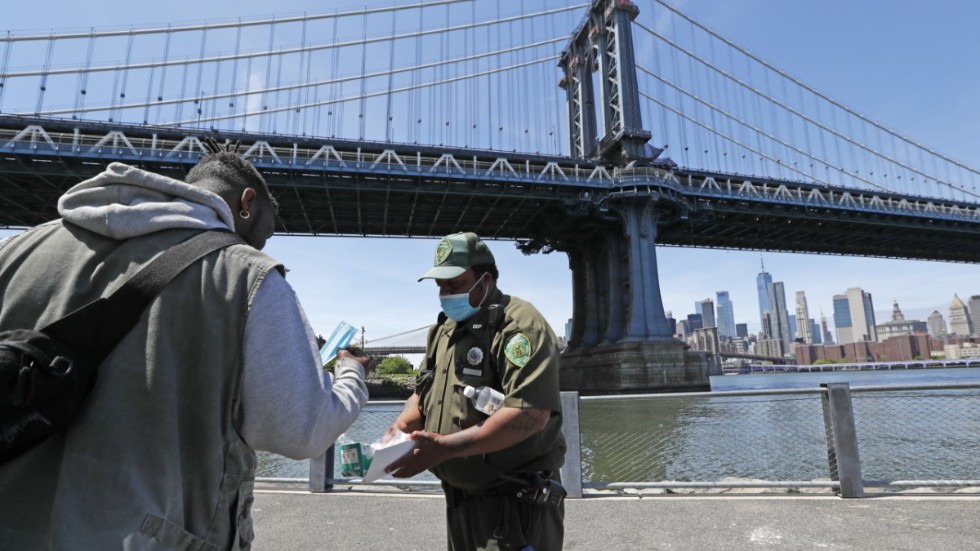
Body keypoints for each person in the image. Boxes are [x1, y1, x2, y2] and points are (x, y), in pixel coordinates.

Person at [0, 143, 369, 550]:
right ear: (246, 203)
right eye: (267, 229)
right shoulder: (247, 275)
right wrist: (352, 373)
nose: (262, 244)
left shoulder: (15, 251)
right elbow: (302, 430)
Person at [386, 232, 566, 551]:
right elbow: (421, 394)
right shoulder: (443, 332)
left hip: (515, 506)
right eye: (439, 285)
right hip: (460, 502)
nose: (444, 293)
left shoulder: (520, 326)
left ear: (484, 281)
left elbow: (530, 414)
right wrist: (402, 427)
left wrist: (444, 448)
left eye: (454, 284)